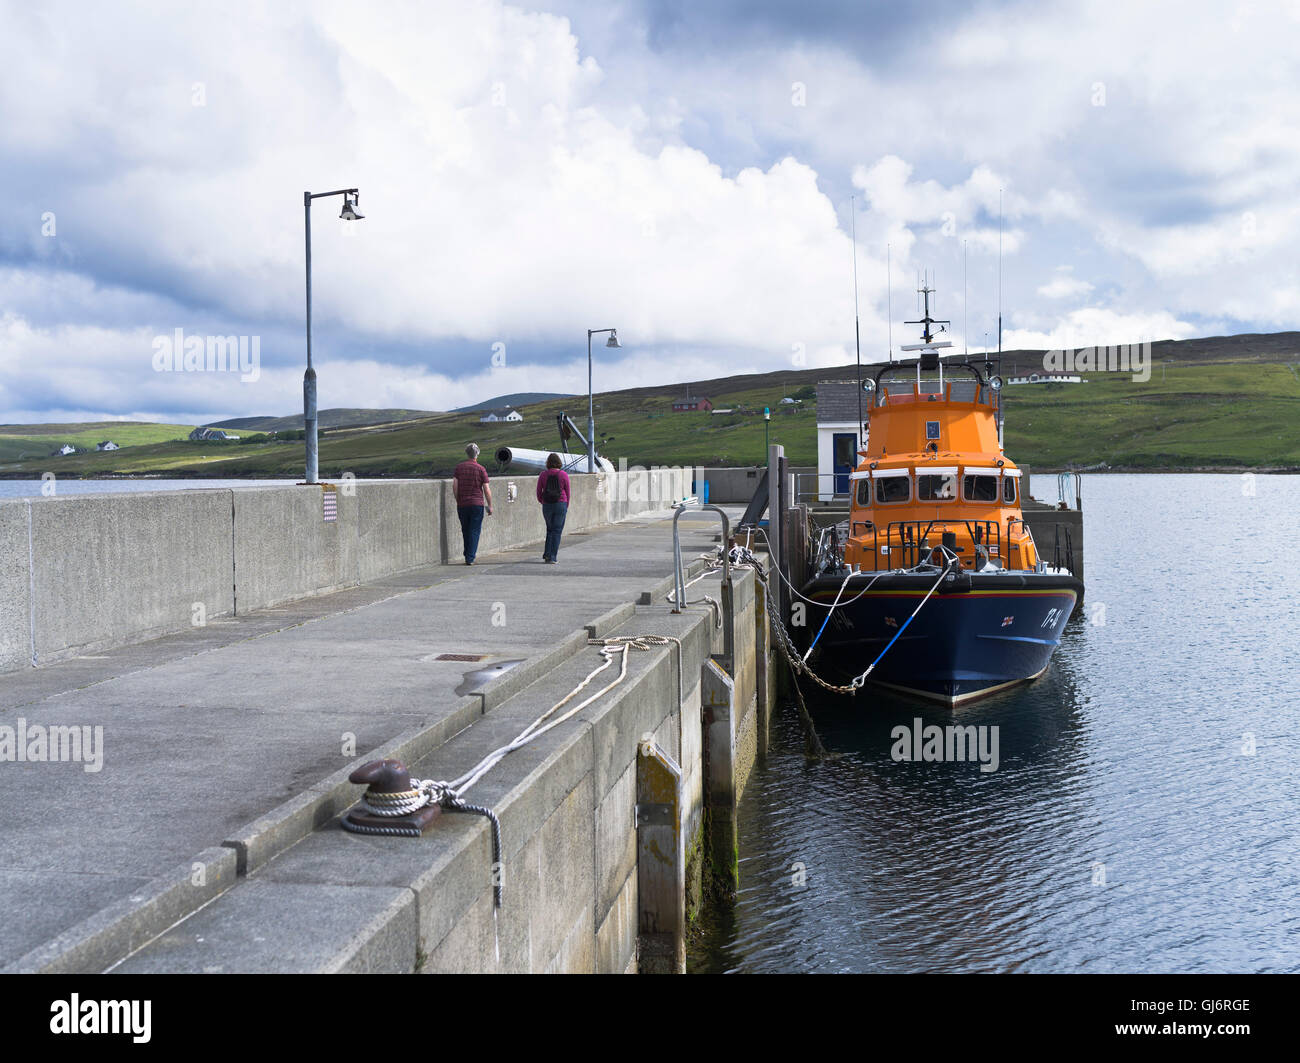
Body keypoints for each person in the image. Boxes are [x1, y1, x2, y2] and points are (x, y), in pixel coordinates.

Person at [452, 443, 492, 565]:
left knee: (465, 530)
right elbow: (486, 489)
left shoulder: (459, 468)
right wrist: (490, 505)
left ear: (467, 453)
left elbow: (454, 486)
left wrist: (458, 500)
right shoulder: (481, 469)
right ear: (477, 454)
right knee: (474, 530)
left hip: (462, 504)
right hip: (477, 504)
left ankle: (467, 554)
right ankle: (470, 557)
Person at [536, 453, 571, 564]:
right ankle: (553, 557)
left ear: (548, 463)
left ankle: (547, 554)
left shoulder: (543, 475)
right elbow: (568, 492)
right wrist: (566, 505)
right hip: (561, 503)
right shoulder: (563, 474)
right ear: (559, 462)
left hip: (547, 505)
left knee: (550, 529)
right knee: (557, 531)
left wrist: (543, 501)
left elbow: (538, 491)